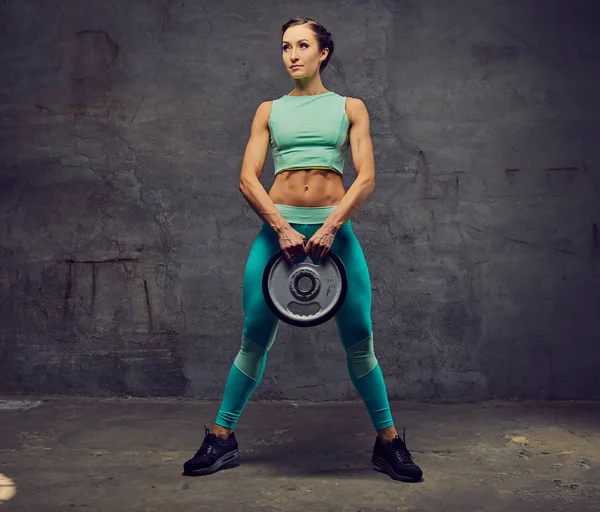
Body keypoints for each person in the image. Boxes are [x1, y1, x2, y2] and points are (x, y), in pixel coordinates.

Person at [183, 16, 423, 483]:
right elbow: (247, 178)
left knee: (360, 338)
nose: (292, 54)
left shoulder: (350, 107)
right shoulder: (268, 110)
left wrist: (332, 225)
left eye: (302, 46)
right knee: (254, 337)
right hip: (278, 234)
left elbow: (367, 177)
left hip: (334, 231)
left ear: (322, 53)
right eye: (286, 46)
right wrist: (280, 226)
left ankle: (389, 442)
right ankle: (221, 437)